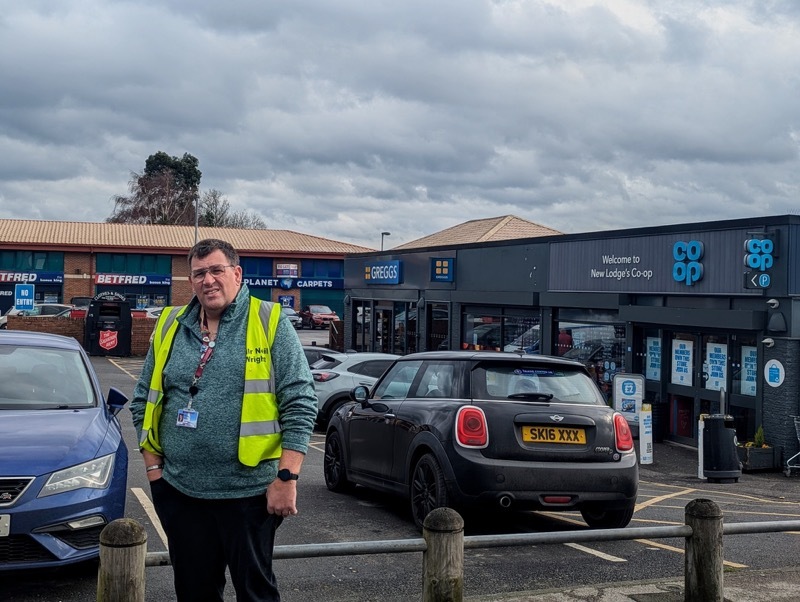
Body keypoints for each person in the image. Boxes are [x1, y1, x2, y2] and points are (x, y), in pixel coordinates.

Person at [130, 238, 317, 602]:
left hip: (248, 494)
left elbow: (300, 401)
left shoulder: (270, 321)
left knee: (256, 593)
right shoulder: (169, 324)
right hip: (181, 492)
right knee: (194, 592)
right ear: (191, 280)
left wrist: (287, 477)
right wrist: (155, 474)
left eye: (216, 270)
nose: (208, 280)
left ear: (237, 273)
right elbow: (143, 400)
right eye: (199, 273)